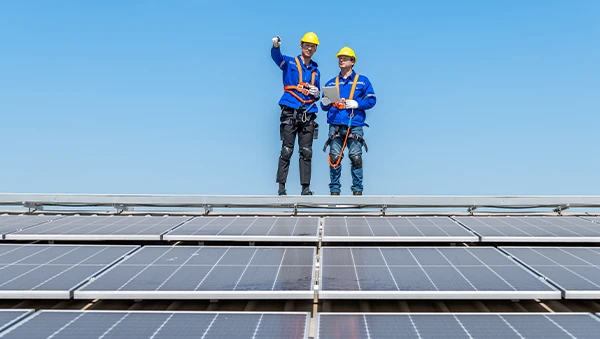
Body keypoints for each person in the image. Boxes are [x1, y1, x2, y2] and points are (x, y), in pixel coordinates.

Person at [320, 47, 376, 196]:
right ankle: (334, 192)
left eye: (345, 58)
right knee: (334, 158)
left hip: (354, 124)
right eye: (340, 57)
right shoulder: (331, 83)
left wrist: (357, 104)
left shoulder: (363, 82)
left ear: (352, 61)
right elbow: (323, 107)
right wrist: (325, 102)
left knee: (356, 158)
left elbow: (372, 100)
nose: (341, 60)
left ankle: (357, 192)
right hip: (336, 124)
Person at [271, 32, 321, 196]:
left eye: (312, 46)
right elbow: (276, 57)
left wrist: (317, 93)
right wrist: (276, 46)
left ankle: (305, 188)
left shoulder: (316, 71)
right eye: (306, 45)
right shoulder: (290, 62)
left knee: (306, 151)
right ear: (301, 46)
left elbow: (318, 92)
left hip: (308, 113)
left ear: (315, 49)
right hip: (290, 111)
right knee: (287, 150)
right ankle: (281, 187)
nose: (309, 48)